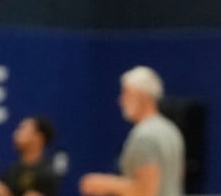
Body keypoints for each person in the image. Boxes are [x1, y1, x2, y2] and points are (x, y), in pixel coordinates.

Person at [79, 66, 185, 196]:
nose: (120, 100)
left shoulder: (145, 137)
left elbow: (146, 192)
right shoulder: (171, 130)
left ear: (142, 96)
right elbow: (177, 176)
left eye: (125, 92)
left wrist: (104, 183)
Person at [0, 116, 60, 196]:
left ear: (38, 137)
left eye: (23, 129)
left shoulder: (48, 173)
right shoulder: (11, 171)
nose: (16, 134)